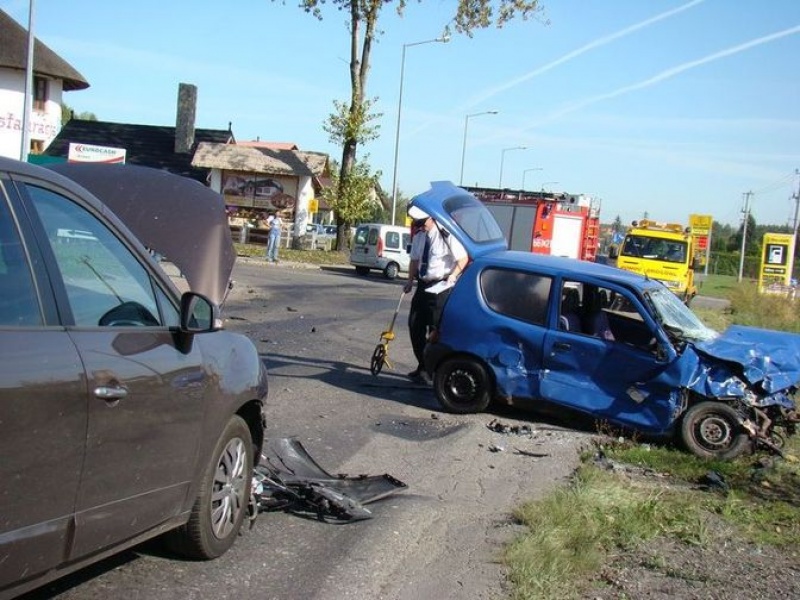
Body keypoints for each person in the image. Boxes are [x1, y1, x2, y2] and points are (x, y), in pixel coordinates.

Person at [403, 206, 469, 383]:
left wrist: (453, 275)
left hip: (441, 286)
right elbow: (414, 260)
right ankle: (423, 366)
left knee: (435, 331)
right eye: (417, 223)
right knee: (414, 325)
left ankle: (434, 370)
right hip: (423, 285)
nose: (420, 226)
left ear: (432, 218)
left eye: (422, 222)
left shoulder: (446, 235)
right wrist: (409, 280)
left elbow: (462, 259)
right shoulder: (419, 236)